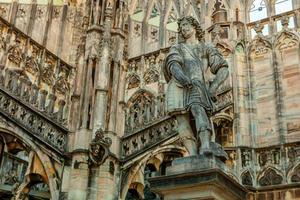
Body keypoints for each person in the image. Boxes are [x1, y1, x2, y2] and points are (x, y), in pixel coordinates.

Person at [163, 16, 229, 156]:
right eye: (181, 27)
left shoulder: (206, 47)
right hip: (179, 86)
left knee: (198, 110)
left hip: (197, 85)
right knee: (182, 120)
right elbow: (172, 65)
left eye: (186, 25)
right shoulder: (178, 47)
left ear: (194, 27)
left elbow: (223, 68)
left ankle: (205, 146)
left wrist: (213, 88)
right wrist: (182, 78)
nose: (184, 29)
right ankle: (192, 154)